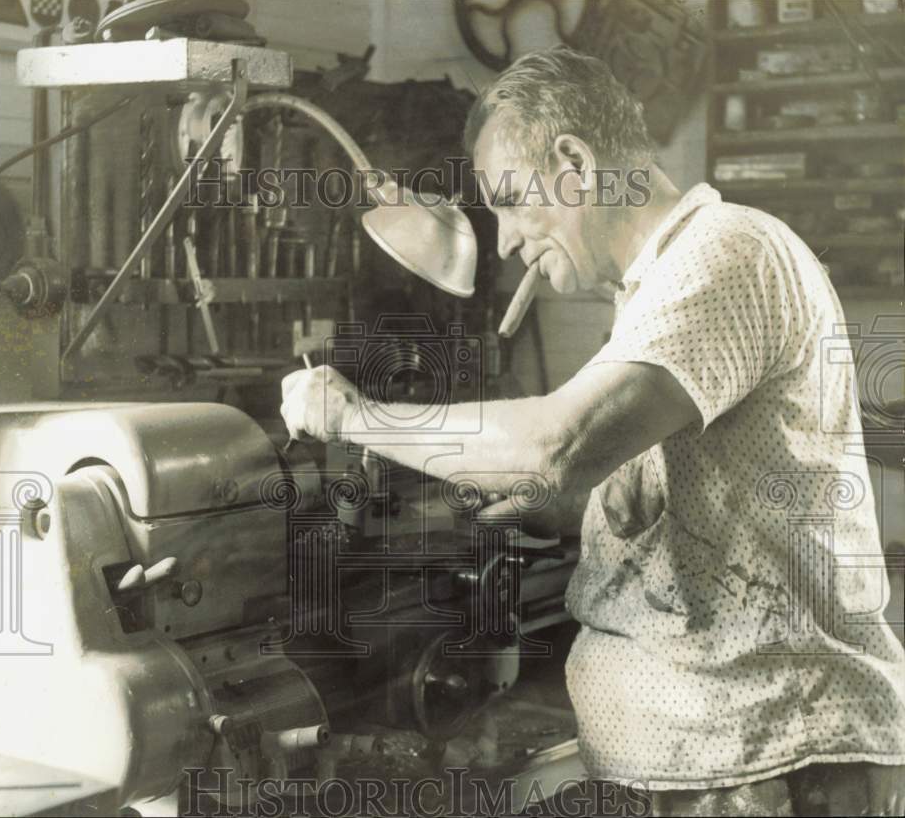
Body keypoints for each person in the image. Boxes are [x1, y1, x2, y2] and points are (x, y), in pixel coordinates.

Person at [279, 46, 905, 816]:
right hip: (708, 766)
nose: (504, 242)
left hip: (769, 766)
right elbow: (648, 502)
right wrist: (541, 506)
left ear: (574, 162)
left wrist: (354, 419)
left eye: (510, 202)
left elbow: (556, 446)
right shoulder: (651, 295)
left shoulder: (727, 252)